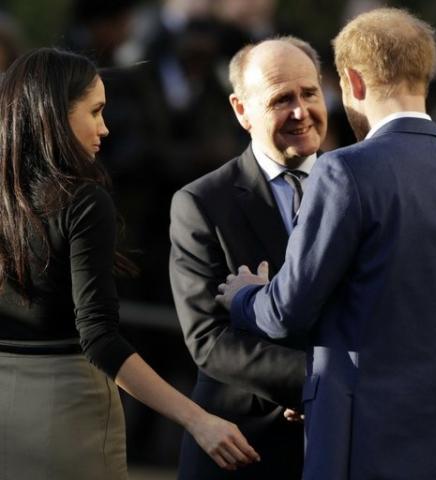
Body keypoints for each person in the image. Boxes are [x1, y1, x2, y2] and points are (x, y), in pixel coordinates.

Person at [215, 8, 436, 480]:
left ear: (352, 82)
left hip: (363, 435)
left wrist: (245, 297)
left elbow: (287, 309)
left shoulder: (345, 170)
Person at [0, 48, 258, 480]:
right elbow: (99, 339)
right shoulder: (81, 201)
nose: (105, 127)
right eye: (95, 111)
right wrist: (199, 419)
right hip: (63, 415)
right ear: (52, 115)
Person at [168, 36, 325, 479]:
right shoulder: (202, 203)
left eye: (310, 93)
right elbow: (208, 339)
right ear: (242, 111)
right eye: (281, 99)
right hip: (241, 448)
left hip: (340, 445)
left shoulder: (360, 187)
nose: (301, 111)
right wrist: (314, 384)